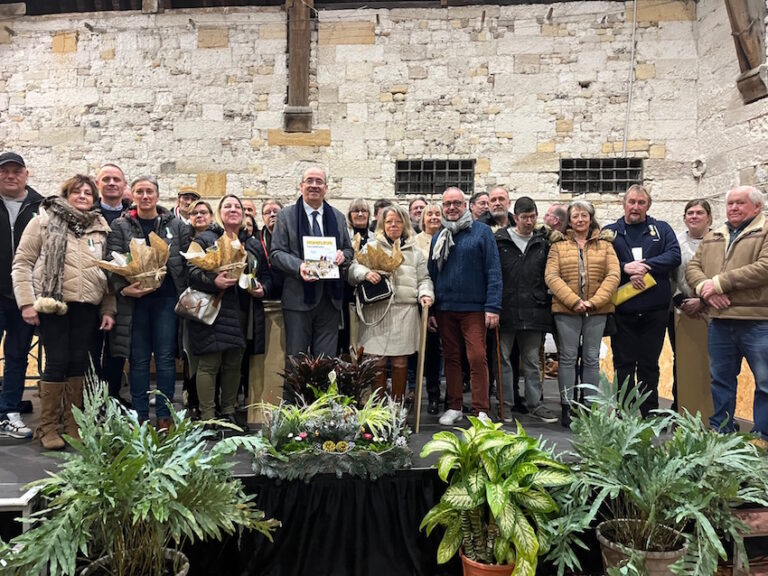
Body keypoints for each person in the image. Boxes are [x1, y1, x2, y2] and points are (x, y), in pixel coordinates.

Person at [13, 175, 116, 449]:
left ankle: (72, 424)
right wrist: (26, 302)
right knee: (57, 362)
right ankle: (47, 427)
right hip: (54, 305)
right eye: (77, 191)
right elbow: (22, 263)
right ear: (66, 194)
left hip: (87, 306)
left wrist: (108, 309)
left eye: (88, 192)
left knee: (78, 364)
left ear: (94, 199)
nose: (83, 196)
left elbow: (106, 273)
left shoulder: (99, 228)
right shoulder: (43, 221)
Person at [107, 176, 190, 428]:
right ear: (132, 195)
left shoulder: (175, 225)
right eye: (140, 192)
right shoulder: (120, 226)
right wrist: (124, 289)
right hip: (136, 303)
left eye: (149, 191)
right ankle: (140, 415)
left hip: (166, 300)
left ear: (157, 195)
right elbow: (112, 263)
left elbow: (187, 260)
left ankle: (165, 416)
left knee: (165, 359)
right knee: (140, 359)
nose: (145, 196)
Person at [687, 186, 768, 440]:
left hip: (757, 321)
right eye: (730, 203)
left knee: (765, 384)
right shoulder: (715, 235)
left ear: (757, 207)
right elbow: (693, 267)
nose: (733, 207)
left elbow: (764, 267)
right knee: (720, 381)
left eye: (740, 203)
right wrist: (706, 289)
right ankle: (721, 432)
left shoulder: (764, 231)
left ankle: (761, 436)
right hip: (720, 321)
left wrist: (720, 283)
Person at [187, 194, 271, 424]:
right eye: (227, 206)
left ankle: (228, 412)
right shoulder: (205, 239)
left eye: (237, 207)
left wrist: (262, 288)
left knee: (234, 364)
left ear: (244, 214)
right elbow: (190, 272)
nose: (233, 209)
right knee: (209, 364)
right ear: (219, 212)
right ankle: (207, 416)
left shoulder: (252, 243)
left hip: (243, 311)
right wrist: (213, 281)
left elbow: (266, 275)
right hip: (214, 308)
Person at [604, 184, 680, 416]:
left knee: (649, 364)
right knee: (623, 364)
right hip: (623, 310)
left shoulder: (662, 229)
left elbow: (674, 255)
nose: (636, 207)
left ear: (648, 206)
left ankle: (650, 412)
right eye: (632, 202)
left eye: (641, 203)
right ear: (623, 204)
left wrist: (646, 266)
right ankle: (624, 410)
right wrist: (625, 268)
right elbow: (599, 263)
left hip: (654, 311)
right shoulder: (610, 232)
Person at [428, 187, 502, 425]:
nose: (451, 208)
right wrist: (430, 311)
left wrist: (493, 306)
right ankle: (454, 406)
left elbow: (493, 270)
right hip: (445, 307)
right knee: (451, 358)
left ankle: (481, 408)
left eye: (456, 203)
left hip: (475, 308)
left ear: (466, 206)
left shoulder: (482, 233)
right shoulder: (438, 236)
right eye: (447, 203)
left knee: (477, 356)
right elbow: (431, 275)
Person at [545, 200, 620, 426]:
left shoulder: (605, 245)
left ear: (591, 217)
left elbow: (613, 275)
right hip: (566, 310)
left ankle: (588, 405)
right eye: (576, 216)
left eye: (584, 215)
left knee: (590, 358)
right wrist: (574, 301)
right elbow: (551, 276)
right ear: (570, 219)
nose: (580, 220)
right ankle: (567, 407)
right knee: (567, 358)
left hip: (596, 311)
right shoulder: (558, 246)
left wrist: (594, 302)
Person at [349, 205, 434, 400]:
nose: (393, 225)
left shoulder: (415, 252)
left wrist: (425, 294)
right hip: (377, 312)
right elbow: (353, 270)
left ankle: (397, 410)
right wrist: (365, 273)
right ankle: (378, 411)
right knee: (376, 362)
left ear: (404, 223)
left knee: (400, 362)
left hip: (404, 312)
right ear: (382, 224)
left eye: (397, 221)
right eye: (389, 221)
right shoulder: (371, 247)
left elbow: (424, 279)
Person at [270, 166, 353, 362]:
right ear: (301, 186)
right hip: (298, 298)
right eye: (310, 181)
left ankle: (323, 395)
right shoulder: (286, 216)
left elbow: (349, 251)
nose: (314, 185)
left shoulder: (338, 217)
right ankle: (295, 395)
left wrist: (343, 255)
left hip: (330, 300)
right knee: (296, 362)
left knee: (326, 362)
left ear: (326, 187)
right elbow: (276, 253)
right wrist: (299, 266)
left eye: (319, 182)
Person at [495, 196, 559, 423]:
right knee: (503, 359)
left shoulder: (543, 242)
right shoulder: (500, 241)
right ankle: (505, 405)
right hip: (506, 308)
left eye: (533, 217)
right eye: (525, 217)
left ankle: (536, 404)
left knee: (532, 360)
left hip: (534, 309)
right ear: (515, 218)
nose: (529, 222)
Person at [0, 152, 43, 439]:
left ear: (26, 174)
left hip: (23, 296)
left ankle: (8, 413)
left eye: (16, 171)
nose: (10, 176)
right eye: (5, 171)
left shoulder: (41, 207)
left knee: (17, 355)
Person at [90, 163, 131, 404]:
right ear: (98, 185)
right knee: (92, 348)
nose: (112, 183)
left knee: (118, 348)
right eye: (106, 179)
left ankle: (113, 396)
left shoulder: (132, 217)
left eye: (116, 179)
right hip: (93, 290)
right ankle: (94, 399)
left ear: (124, 185)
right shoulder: (87, 214)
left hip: (123, 292)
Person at [670, 199, 713, 419]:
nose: (694, 216)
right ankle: (682, 410)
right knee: (683, 363)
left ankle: (712, 414)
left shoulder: (719, 240)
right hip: (682, 308)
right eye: (690, 213)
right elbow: (670, 275)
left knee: (714, 364)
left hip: (713, 309)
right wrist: (681, 300)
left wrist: (703, 302)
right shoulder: (675, 242)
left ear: (709, 217)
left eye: (699, 213)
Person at [415, 202, 444, 414]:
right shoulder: (414, 242)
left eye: (437, 213)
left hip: (445, 300)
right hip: (423, 301)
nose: (433, 217)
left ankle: (444, 395)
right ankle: (427, 393)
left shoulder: (448, 237)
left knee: (445, 352)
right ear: (422, 218)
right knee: (428, 351)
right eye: (429, 214)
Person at [339, 198, 374, 354]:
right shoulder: (343, 236)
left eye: (364, 211)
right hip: (346, 291)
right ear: (349, 215)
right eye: (356, 211)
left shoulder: (376, 237)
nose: (360, 214)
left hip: (369, 292)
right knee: (347, 334)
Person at [259, 198, 283, 300]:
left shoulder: (292, 236)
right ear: (263, 217)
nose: (272, 215)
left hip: (288, 291)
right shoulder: (256, 238)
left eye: (276, 212)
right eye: (267, 213)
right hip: (265, 291)